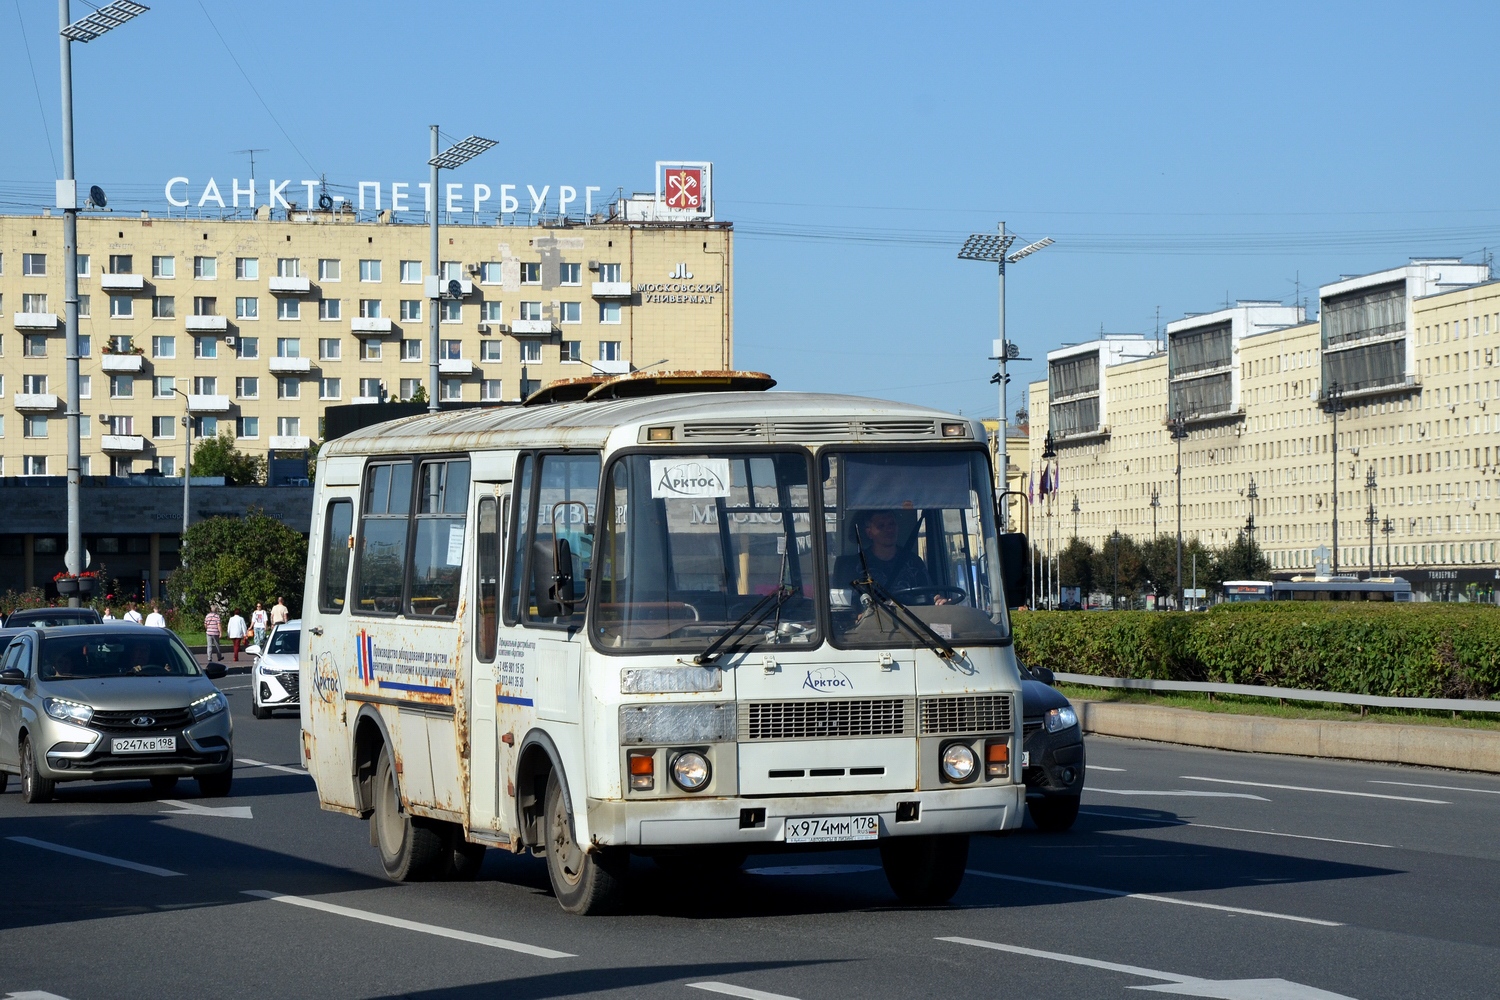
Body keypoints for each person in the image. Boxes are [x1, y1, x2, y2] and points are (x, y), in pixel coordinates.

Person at [832, 509, 946, 602]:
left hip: (911, 627)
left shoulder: (914, 563)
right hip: (869, 629)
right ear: (869, 533)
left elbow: (930, 597)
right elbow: (845, 608)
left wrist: (939, 602)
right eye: (881, 526)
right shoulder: (853, 567)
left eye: (892, 524)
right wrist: (858, 616)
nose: (889, 529)